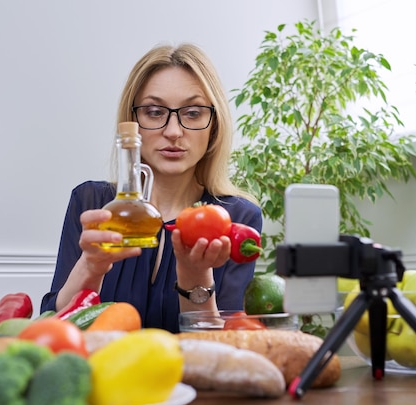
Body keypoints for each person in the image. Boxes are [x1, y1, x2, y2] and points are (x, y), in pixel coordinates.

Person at [41, 43, 262, 333]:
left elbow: (223, 351)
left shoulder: (238, 219)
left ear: (214, 126)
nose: (173, 131)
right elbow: (54, 329)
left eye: (193, 113)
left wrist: (195, 277)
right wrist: (91, 267)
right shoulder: (92, 204)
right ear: (132, 125)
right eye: (155, 112)